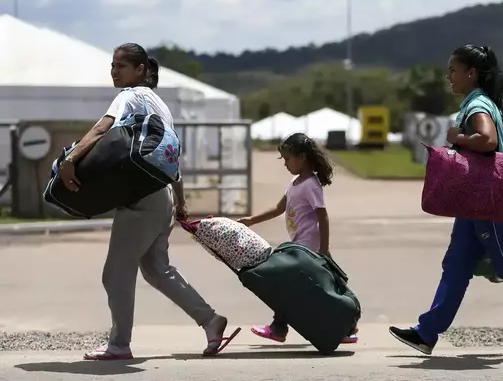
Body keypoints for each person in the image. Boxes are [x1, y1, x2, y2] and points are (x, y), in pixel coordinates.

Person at [59, 43, 238, 361]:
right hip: (161, 197)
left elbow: (102, 129)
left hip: (141, 200)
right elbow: (169, 157)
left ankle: (119, 345)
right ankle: (210, 321)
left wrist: (70, 159)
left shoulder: (129, 96)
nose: (114, 72)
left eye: (120, 66)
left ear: (140, 69)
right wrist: (180, 200)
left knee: (115, 273)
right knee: (157, 270)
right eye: (112, 66)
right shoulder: (160, 105)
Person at [388, 44, 503, 360]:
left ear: (470, 73)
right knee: (456, 265)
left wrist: (457, 138)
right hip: (474, 201)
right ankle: (426, 333)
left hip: (489, 200)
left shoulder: (477, 105)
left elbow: (487, 140)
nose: (448, 75)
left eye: (453, 69)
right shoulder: (476, 102)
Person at [237, 132, 358, 344]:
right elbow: (278, 208)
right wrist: (252, 220)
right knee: (313, 290)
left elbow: (323, 216)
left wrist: (323, 249)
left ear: (302, 157)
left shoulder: (311, 184)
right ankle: (346, 329)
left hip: (308, 248)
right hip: (299, 246)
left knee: (290, 286)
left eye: (287, 158)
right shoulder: (295, 182)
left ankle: (279, 328)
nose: (285, 163)